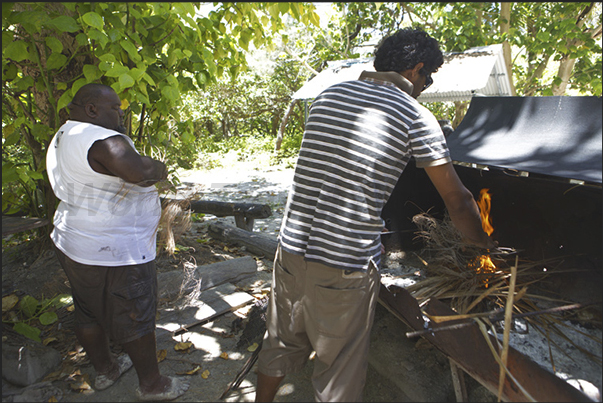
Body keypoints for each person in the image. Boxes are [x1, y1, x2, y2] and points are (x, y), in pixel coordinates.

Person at [255, 28, 497, 402]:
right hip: (343, 265)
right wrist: (484, 249)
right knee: (338, 370)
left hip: (289, 251)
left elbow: (334, 168)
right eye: (428, 77)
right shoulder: (415, 116)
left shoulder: (327, 96)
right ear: (417, 69)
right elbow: (458, 200)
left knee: (280, 342)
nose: (426, 86)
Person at [46, 83, 189, 401]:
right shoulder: (99, 138)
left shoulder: (64, 135)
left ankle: (106, 370)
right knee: (134, 312)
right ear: (92, 109)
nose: (121, 115)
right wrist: (160, 168)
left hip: (74, 241)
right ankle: (152, 384)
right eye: (115, 109)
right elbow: (137, 171)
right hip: (114, 250)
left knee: (87, 310)